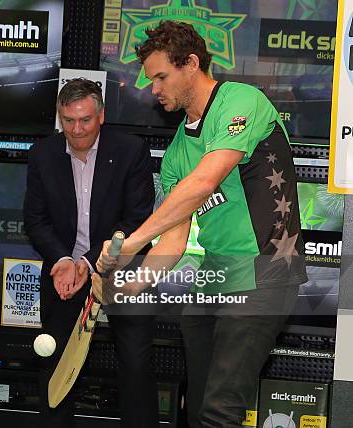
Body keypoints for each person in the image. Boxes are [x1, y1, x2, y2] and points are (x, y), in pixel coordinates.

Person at [95, 21, 307, 427]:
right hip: (213, 279)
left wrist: (131, 243)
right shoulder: (176, 151)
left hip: (265, 273)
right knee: (196, 409)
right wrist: (124, 286)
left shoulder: (240, 100)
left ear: (191, 63)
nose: (153, 89)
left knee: (219, 412)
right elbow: (173, 244)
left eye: (161, 76)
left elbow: (204, 182)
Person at [23, 78, 158, 428]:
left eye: (85, 119)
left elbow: (137, 219)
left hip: (126, 270)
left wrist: (88, 262)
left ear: (101, 116)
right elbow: (35, 221)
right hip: (66, 273)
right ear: (59, 118)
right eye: (68, 120)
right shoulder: (42, 154)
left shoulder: (131, 150)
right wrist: (64, 261)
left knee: (135, 363)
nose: (77, 129)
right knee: (56, 360)